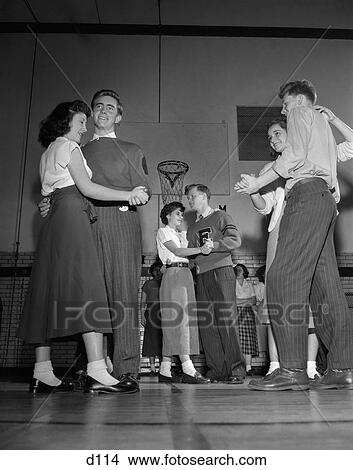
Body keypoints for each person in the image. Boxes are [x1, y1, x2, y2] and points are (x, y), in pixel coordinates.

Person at [18, 100, 148, 394]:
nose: (85, 126)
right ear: (67, 123)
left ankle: (43, 371)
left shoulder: (47, 152)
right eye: (80, 122)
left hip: (58, 221)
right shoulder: (72, 147)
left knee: (46, 290)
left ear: (120, 115)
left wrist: (47, 205)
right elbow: (87, 189)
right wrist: (128, 195)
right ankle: (97, 370)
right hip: (77, 219)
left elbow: (51, 194)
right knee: (90, 290)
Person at [235, 80, 353, 391]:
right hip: (325, 202)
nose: (284, 111)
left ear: (299, 99)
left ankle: (291, 369)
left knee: (282, 278)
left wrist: (257, 183)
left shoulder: (301, 112)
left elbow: (294, 155)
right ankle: (341, 367)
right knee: (326, 289)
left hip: (306, 195)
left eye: (285, 105)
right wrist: (333, 118)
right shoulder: (322, 129)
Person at [250, 118, 320, 380]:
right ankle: (275, 366)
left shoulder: (309, 159)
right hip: (278, 235)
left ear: (293, 134)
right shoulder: (270, 168)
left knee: (309, 300)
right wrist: (252, 189)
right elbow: (264, 206)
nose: (273, 139)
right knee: (274, 300)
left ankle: (311, 368)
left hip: (306, 230)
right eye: (270, 137)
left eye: (278, 133)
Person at [185, 184, 246, 384]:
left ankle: (236, 369)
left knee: (227, 321)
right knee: (208, 325)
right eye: (188, 197)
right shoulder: (192, 227)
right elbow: (192, 255)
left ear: (204, 197)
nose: (189, 200)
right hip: (202, 277)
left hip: (222, 272)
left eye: (192, 196)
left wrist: (216, 245)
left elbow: (235, 240)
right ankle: (217, 370)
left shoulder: (221, 217)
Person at [156, 202, 211, 384]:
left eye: (182, 214)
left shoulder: (182, 234)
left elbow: (189, 252)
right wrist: (200, 250)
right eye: (178, 214)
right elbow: (178, 251)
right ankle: (187, 367)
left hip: (185, 274)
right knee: (178, 320)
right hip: (174, 274)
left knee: (180, 319)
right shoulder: (163, 231)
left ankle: (165, 368)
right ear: (168, 216)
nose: (181, 217)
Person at [234, 264, 259, 375]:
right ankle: (238, 367)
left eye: (240, 270)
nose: (238, 272)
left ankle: (248, 367)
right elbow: (233, 301)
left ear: (244, 272)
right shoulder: (231, 284)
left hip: (248, 313)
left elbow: (253, 301)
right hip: (235, 313)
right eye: (236, 270)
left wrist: (241, 301)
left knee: (248, 340)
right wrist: (246, 301)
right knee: (237, 340)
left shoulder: (249, 285)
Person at [141, 262, 163, 376]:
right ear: (151, 271)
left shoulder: (165, 282)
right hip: (150, 312)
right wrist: (141, 315)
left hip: (163, 312)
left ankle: (163, 367)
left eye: (159, 269)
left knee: (162, 339)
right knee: (150, 339)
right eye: (155, 270)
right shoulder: (147, 283)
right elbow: (142, 302)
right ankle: (153, 368)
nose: (157, 272)